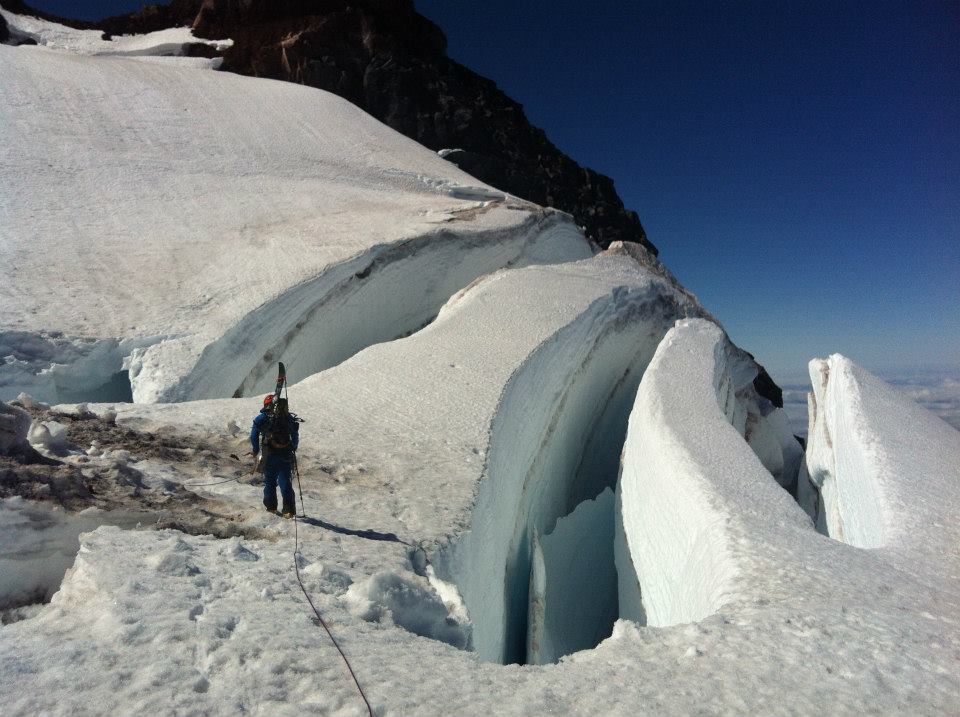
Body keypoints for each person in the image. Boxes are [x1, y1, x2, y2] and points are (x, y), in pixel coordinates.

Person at [250, 395, 300, 517]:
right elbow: (294, 434)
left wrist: (256, 450)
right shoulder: (287, 417)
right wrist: (293, 446)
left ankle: (271, 507)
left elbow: (254, 434)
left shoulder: (263, 417)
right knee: (285, 481)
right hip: (285, 453)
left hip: (269, 454)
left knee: (270, 481)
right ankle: (288, 510)